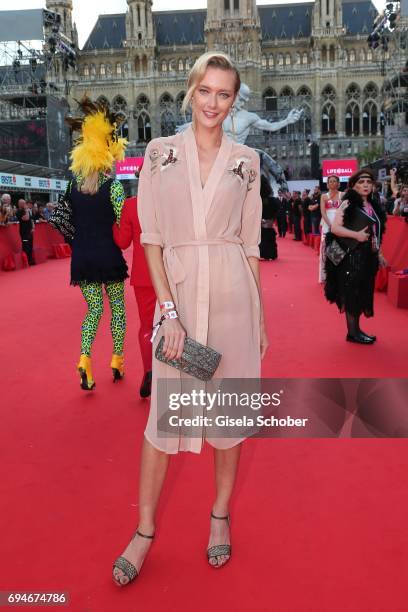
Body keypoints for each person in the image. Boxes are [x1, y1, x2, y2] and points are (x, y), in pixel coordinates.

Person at [112, 51, 269, 587]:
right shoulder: (159, 154)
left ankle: (220, 514)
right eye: (206, 90)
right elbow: (151, 239)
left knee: (228, 421)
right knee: (163, 424)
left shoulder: (247, 161)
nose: (213, 103)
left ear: (234, 100)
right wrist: (168, 312)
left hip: (232, 299)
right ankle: (145, 529)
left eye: (224, 94)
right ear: (190, 89)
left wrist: (261, 318)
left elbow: (250, 245)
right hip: (178, 304)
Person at [50, 97, 129, 390]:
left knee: (93, 310)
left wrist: (77, 240)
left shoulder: (71, 187)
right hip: (109, 258)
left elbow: (58, 219)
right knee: (118, 310)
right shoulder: (114, 188)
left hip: (83, 259)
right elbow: (122, 225)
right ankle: (117, 360)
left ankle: (84, 358)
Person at [324, 169, 387, 344]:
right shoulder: (348, 204)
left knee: (362, 293)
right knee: (352, 293)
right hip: (352, 256)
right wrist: (356, 235)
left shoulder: (374, 205)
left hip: (368, 256)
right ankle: (353, 333)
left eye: (368, 182)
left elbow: (376, 232)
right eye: (361, 182)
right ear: (353, 186)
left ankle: (356, 330)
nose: (366, 185)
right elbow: (335, 228)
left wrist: (379, 252)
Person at [113, 170, 156, 398]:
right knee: (180, 324)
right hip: (175, 273)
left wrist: (114, 220)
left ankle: (149, 372)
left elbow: (121, 241)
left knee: (147, 327)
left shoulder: (130, 206)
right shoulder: (174, 204)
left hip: (144, 276)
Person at [318, 175, 342, 283]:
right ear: (327, 184)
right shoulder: (324, 196)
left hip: (340, 224)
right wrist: (330, 225)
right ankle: (325, 275)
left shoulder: (343, 195)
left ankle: (337, 275)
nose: (332, 183)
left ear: (338, 183)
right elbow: (323, 212)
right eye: (330, 181)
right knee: (326, 249)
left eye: (334, 181)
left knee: (339, 248)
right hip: (327, 224)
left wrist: (338, 224)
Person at [259, 175, 278, 260]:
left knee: (263, 239)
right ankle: (271, 254)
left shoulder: (258, 200)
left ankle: (263, 253)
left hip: (261, 223)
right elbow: (276, 211)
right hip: (269, 223)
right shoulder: (273, 200)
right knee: (269, 239)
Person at [16, 199, 35, 265]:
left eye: (25, 203)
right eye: (23, 203)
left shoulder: (27, 211)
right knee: (25, 245)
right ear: (19, 204)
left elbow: (31, 220)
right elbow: (26, 218)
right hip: (24, 232)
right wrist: (27, 210)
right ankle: (25, 260)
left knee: (30, 245)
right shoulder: (19, 211)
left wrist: (33, 227)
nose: (25, 205)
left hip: (29, 231)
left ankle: (30, 260)